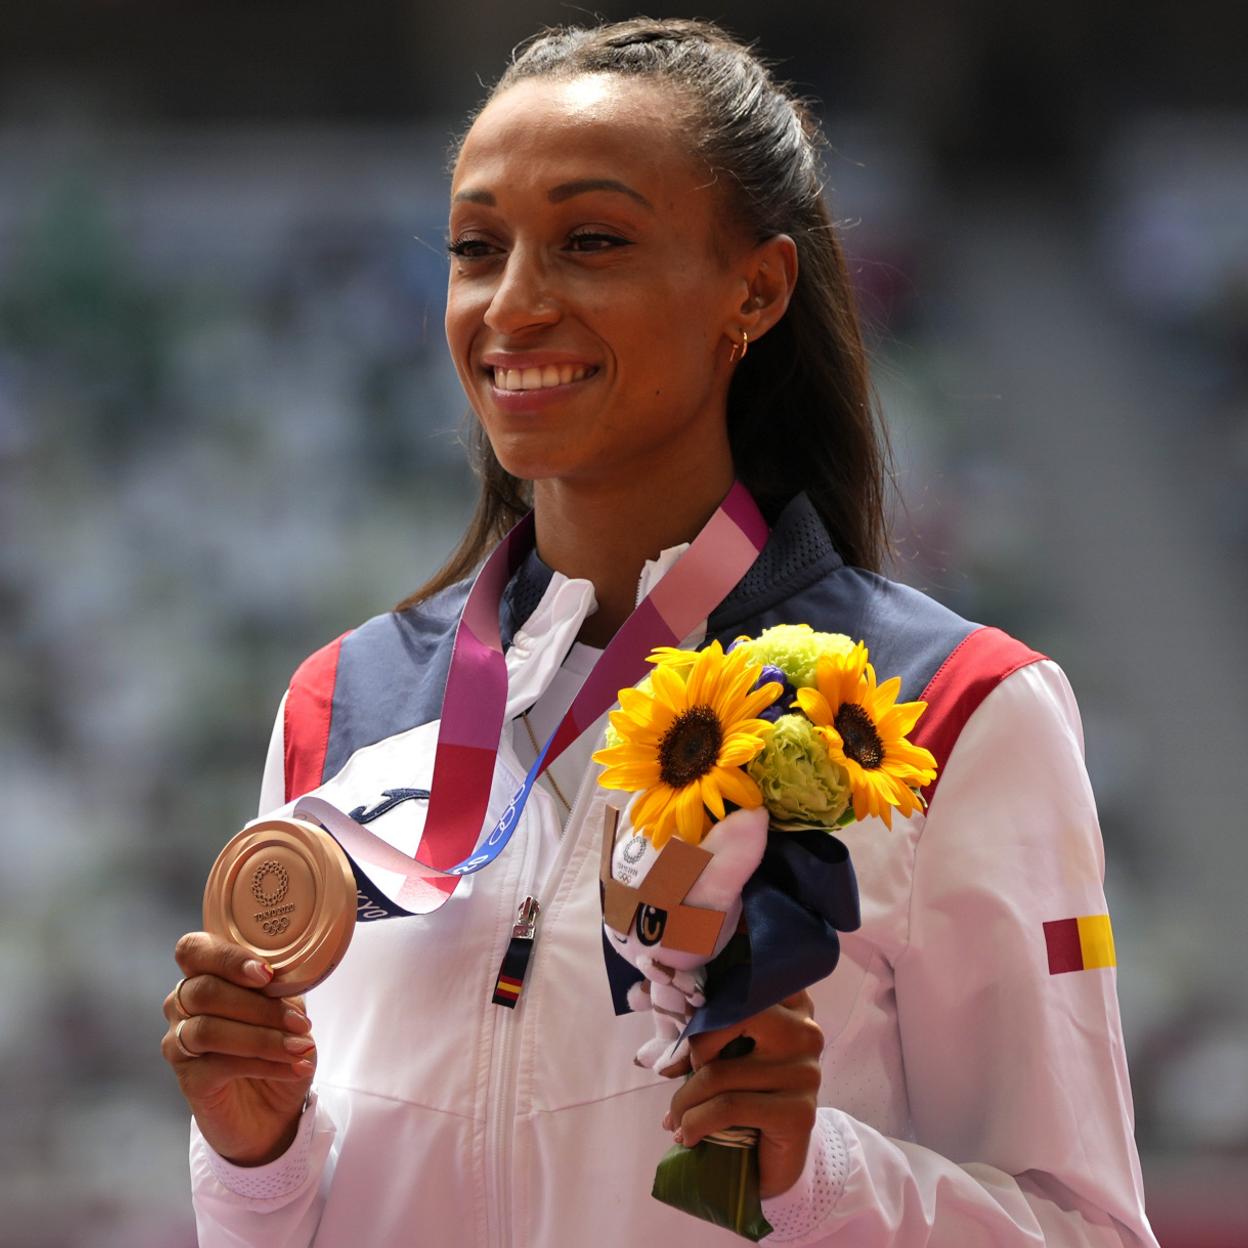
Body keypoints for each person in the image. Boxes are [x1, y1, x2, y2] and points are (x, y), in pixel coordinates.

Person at [161, 18, 1159, 1246]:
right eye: (478, 248)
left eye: (592, 242)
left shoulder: (950, 710)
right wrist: (259, 1159)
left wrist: (816, 1180)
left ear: (758, 289)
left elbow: (1083, 1228)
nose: (512, 304)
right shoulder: (340, 704)